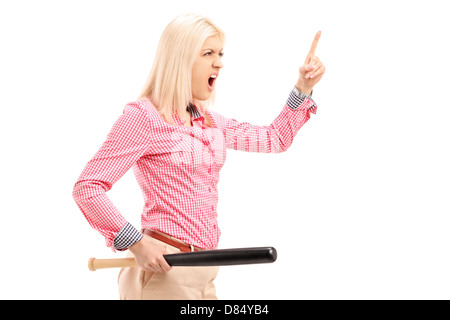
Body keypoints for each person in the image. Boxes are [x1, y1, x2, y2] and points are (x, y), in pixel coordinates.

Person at [72, 13, 325, 300]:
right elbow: (88, 187)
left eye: (220, 53)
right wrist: (137, 243)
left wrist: (303, 88)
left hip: (206, 270)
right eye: (208, 53)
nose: (219, 62)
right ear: (180, 60)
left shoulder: (208, 122)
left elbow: (274, 138)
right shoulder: (143, 117)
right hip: (166, 272)